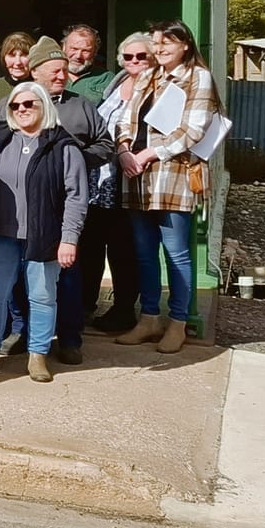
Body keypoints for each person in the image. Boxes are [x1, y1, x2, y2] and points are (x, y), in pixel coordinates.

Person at [0, 81, 86, 384]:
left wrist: (69, 238)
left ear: (44, 105)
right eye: (15, 105)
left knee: (43, 296)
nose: (22, 109)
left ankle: (38, 356)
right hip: (0, 234)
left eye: (29, 103)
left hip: (44, 235)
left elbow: (76, 196)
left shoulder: (63, 146)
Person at [114, 20, 220, 354]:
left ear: (185, 45)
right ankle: (149, 318)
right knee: (144, 254)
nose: (160, 49)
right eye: (157, 43)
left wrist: (150, 153)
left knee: (176, 254)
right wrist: (124, 150)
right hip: (137, 177)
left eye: (167, 43)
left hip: (172, 176)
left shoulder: (198, 77)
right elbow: (125, 119)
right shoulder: (147, 75)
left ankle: (177, 322)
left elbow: (194, 129)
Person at [27, 35, 115, 360]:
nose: (62, 76)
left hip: (67, 205)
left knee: (68, 273)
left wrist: (75, 160)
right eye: (55, 70)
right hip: (26, 207)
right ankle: (23, 334)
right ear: (35, 71)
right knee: (25, 273)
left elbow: (106, 145)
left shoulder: (81, 105)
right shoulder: (19, 102)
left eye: (64, 70)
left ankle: (70, 339)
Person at [83, 33, 151, 333]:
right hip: (100, 181)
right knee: (91, 246)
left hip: (130, 178)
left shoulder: (157, 87)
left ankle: (124, 309)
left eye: (141, 56)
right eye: (128, 56)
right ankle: (85, 304)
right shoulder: (116, 83)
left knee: (124, 249)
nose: (134, 61)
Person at [0, 31, 38, 112]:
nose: (18, 62)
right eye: (12, 55)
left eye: (24, 55)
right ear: (4, 59)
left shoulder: (39, 88)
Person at [63, 25, 114, 103]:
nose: (78, 56)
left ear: (95, 52)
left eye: (85, 51)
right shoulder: (50, 74)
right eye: (74, 49)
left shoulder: (107, 79)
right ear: (64, 47)